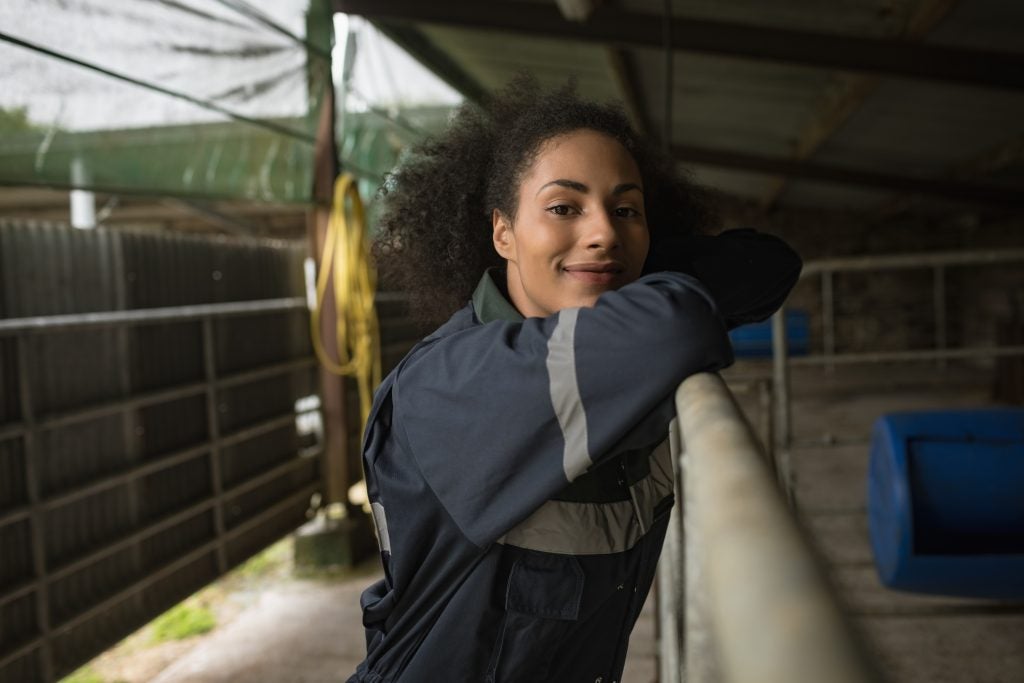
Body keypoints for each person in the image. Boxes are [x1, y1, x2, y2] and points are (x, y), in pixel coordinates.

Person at [347, 77, 801, 683]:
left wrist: (611, 259)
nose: (604, 230)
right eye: (564, 207)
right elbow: (676, 326)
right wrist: (616, 263)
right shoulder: (457, 383)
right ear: (502, 232)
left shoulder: (606, 342)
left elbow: (770, 266)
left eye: (626, 209)